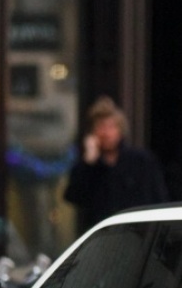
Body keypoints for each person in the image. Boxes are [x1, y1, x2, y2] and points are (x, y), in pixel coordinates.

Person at [64, 96, 168, 233]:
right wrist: (89, 162)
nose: (106, 133)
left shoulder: (141, 161)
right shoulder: (88, 165)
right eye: (100, 127)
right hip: (101, 236)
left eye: (111, 127)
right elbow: (73, 197)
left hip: (138, 235)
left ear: (120, 130)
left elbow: (159, 198)